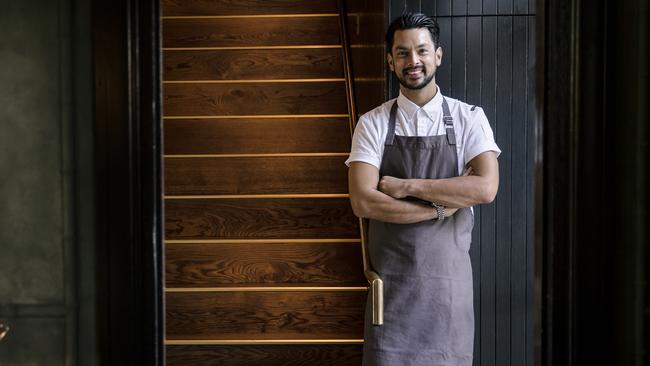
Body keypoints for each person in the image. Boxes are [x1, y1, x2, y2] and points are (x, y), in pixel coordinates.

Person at [346, 13, 501, 366]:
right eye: (402, 53)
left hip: (448, 291)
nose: (412, 61)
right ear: (390, 61)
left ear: (438, 56)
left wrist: (407, 186)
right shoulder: (371, 123)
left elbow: (486, 188)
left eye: (421, 51)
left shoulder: (469, 118)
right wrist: (440, 208)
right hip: (393, 292)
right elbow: (364, 200)